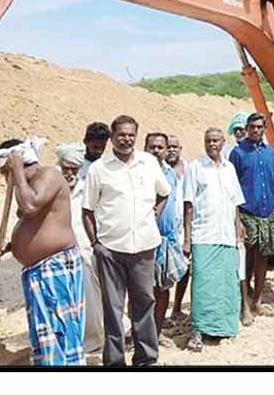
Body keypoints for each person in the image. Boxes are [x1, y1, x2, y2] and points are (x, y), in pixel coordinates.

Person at [82, 115, 171, 367]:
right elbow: (87, 209)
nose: (126, 139)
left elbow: (164, 193)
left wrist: (154, 214)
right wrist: (96, 244)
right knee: (113, 308)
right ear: (112, 137)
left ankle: (146, 359)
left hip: (143, 248)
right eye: (121, 134)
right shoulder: (99, 168)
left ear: (136, 136)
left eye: (131, 134)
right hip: (110, 250)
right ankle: (115, 362)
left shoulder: (149, 163)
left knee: (144, 304)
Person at [0, 137, 85, 366]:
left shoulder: (49, 175)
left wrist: (17, 171)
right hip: (37, 271)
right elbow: (35, 225)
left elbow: (30, 207)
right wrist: (10, 247)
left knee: (59, 331)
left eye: (5, 172)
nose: (5, 178)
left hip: (55, 267)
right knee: (45, 336)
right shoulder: (28, 187)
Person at [183, 128, 246, 352]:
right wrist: (188, 239)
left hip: (227, 236)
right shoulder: (195, 167)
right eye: (208, 140)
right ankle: (198, 331)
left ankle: (223, 328)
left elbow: (235, 202)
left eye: (216, 141)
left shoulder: (229, 168)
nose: (212, 144)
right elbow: (188, 205)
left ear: (223, 142)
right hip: (203, 235)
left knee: (226, 283)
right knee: (203, 285)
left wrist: (238, 226)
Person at [229, 112, 274, 317]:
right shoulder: (238, 153)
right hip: (247, 212)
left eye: (260, 127)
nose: (256, 130)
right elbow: (232, 186)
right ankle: (244, 304)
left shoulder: (271, 153)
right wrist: (237, 219)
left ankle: (258, 301)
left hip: (269, 212)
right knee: (245, 258)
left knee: (263, 258)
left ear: (265, 128)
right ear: (247, 128)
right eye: (252, 127)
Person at [56, 142, 104, 357]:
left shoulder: (87, 187)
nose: (69, 173)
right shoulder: (51, 188)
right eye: (65, 168)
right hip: (57, 253)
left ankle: (92, 343)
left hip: (84, 250)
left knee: (90, 299)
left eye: (74, 169)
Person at [144, 133, 187, 345]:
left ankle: (156, 333)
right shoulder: (139, 171)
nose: (157, 150)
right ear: (145, 148)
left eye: (161, 147)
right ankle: (140, 333)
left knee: (162, 288)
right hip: (143, 239)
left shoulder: (171, 173)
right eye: (152, 147)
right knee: (141, 290)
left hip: (168, 239)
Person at [164, 135, 190, 324]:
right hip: (164, 228)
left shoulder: (188, 169)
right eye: (169, 147)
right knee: (161, 271)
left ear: (180, 148)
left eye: (175, 146)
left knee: (184, 268)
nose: (172, 150)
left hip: (183, 226)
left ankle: (177, 307)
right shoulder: (158, 169)